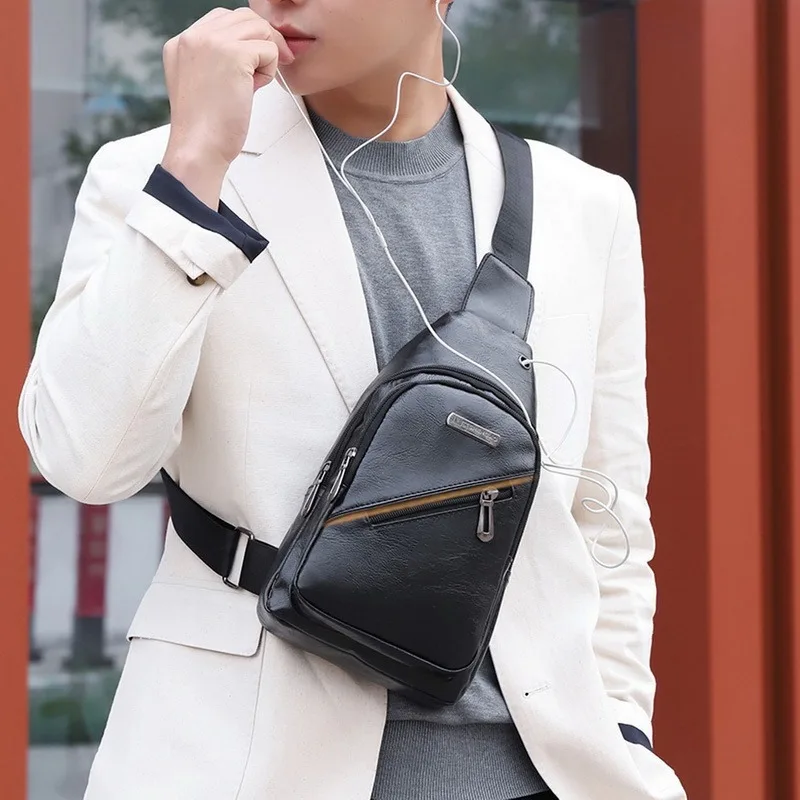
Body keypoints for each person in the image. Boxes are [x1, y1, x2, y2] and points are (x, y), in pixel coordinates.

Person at [18, 1, 687, 798]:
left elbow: (608, 524)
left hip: (540, 772)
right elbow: (85, 462)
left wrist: (624, 729)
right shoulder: (162, 176)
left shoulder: (584, 207)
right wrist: (194, 165)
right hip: (244, 763)